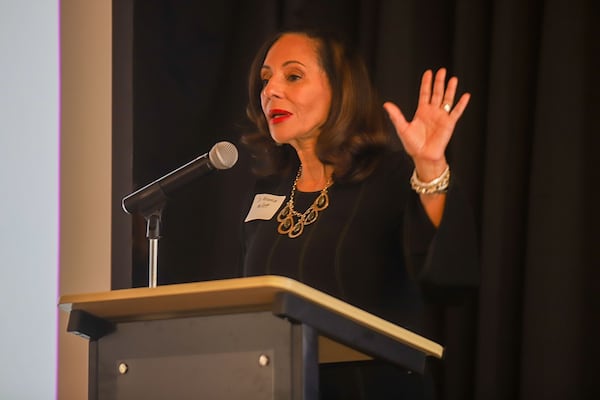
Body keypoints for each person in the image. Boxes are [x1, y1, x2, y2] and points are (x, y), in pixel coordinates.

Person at [239, 29, 479, 399]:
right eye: (266, 78)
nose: (270, 90)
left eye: (293, 76)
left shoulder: (394, 178)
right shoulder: (269, 191)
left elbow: (451, 279)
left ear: (339, 90)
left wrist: (431, 168)